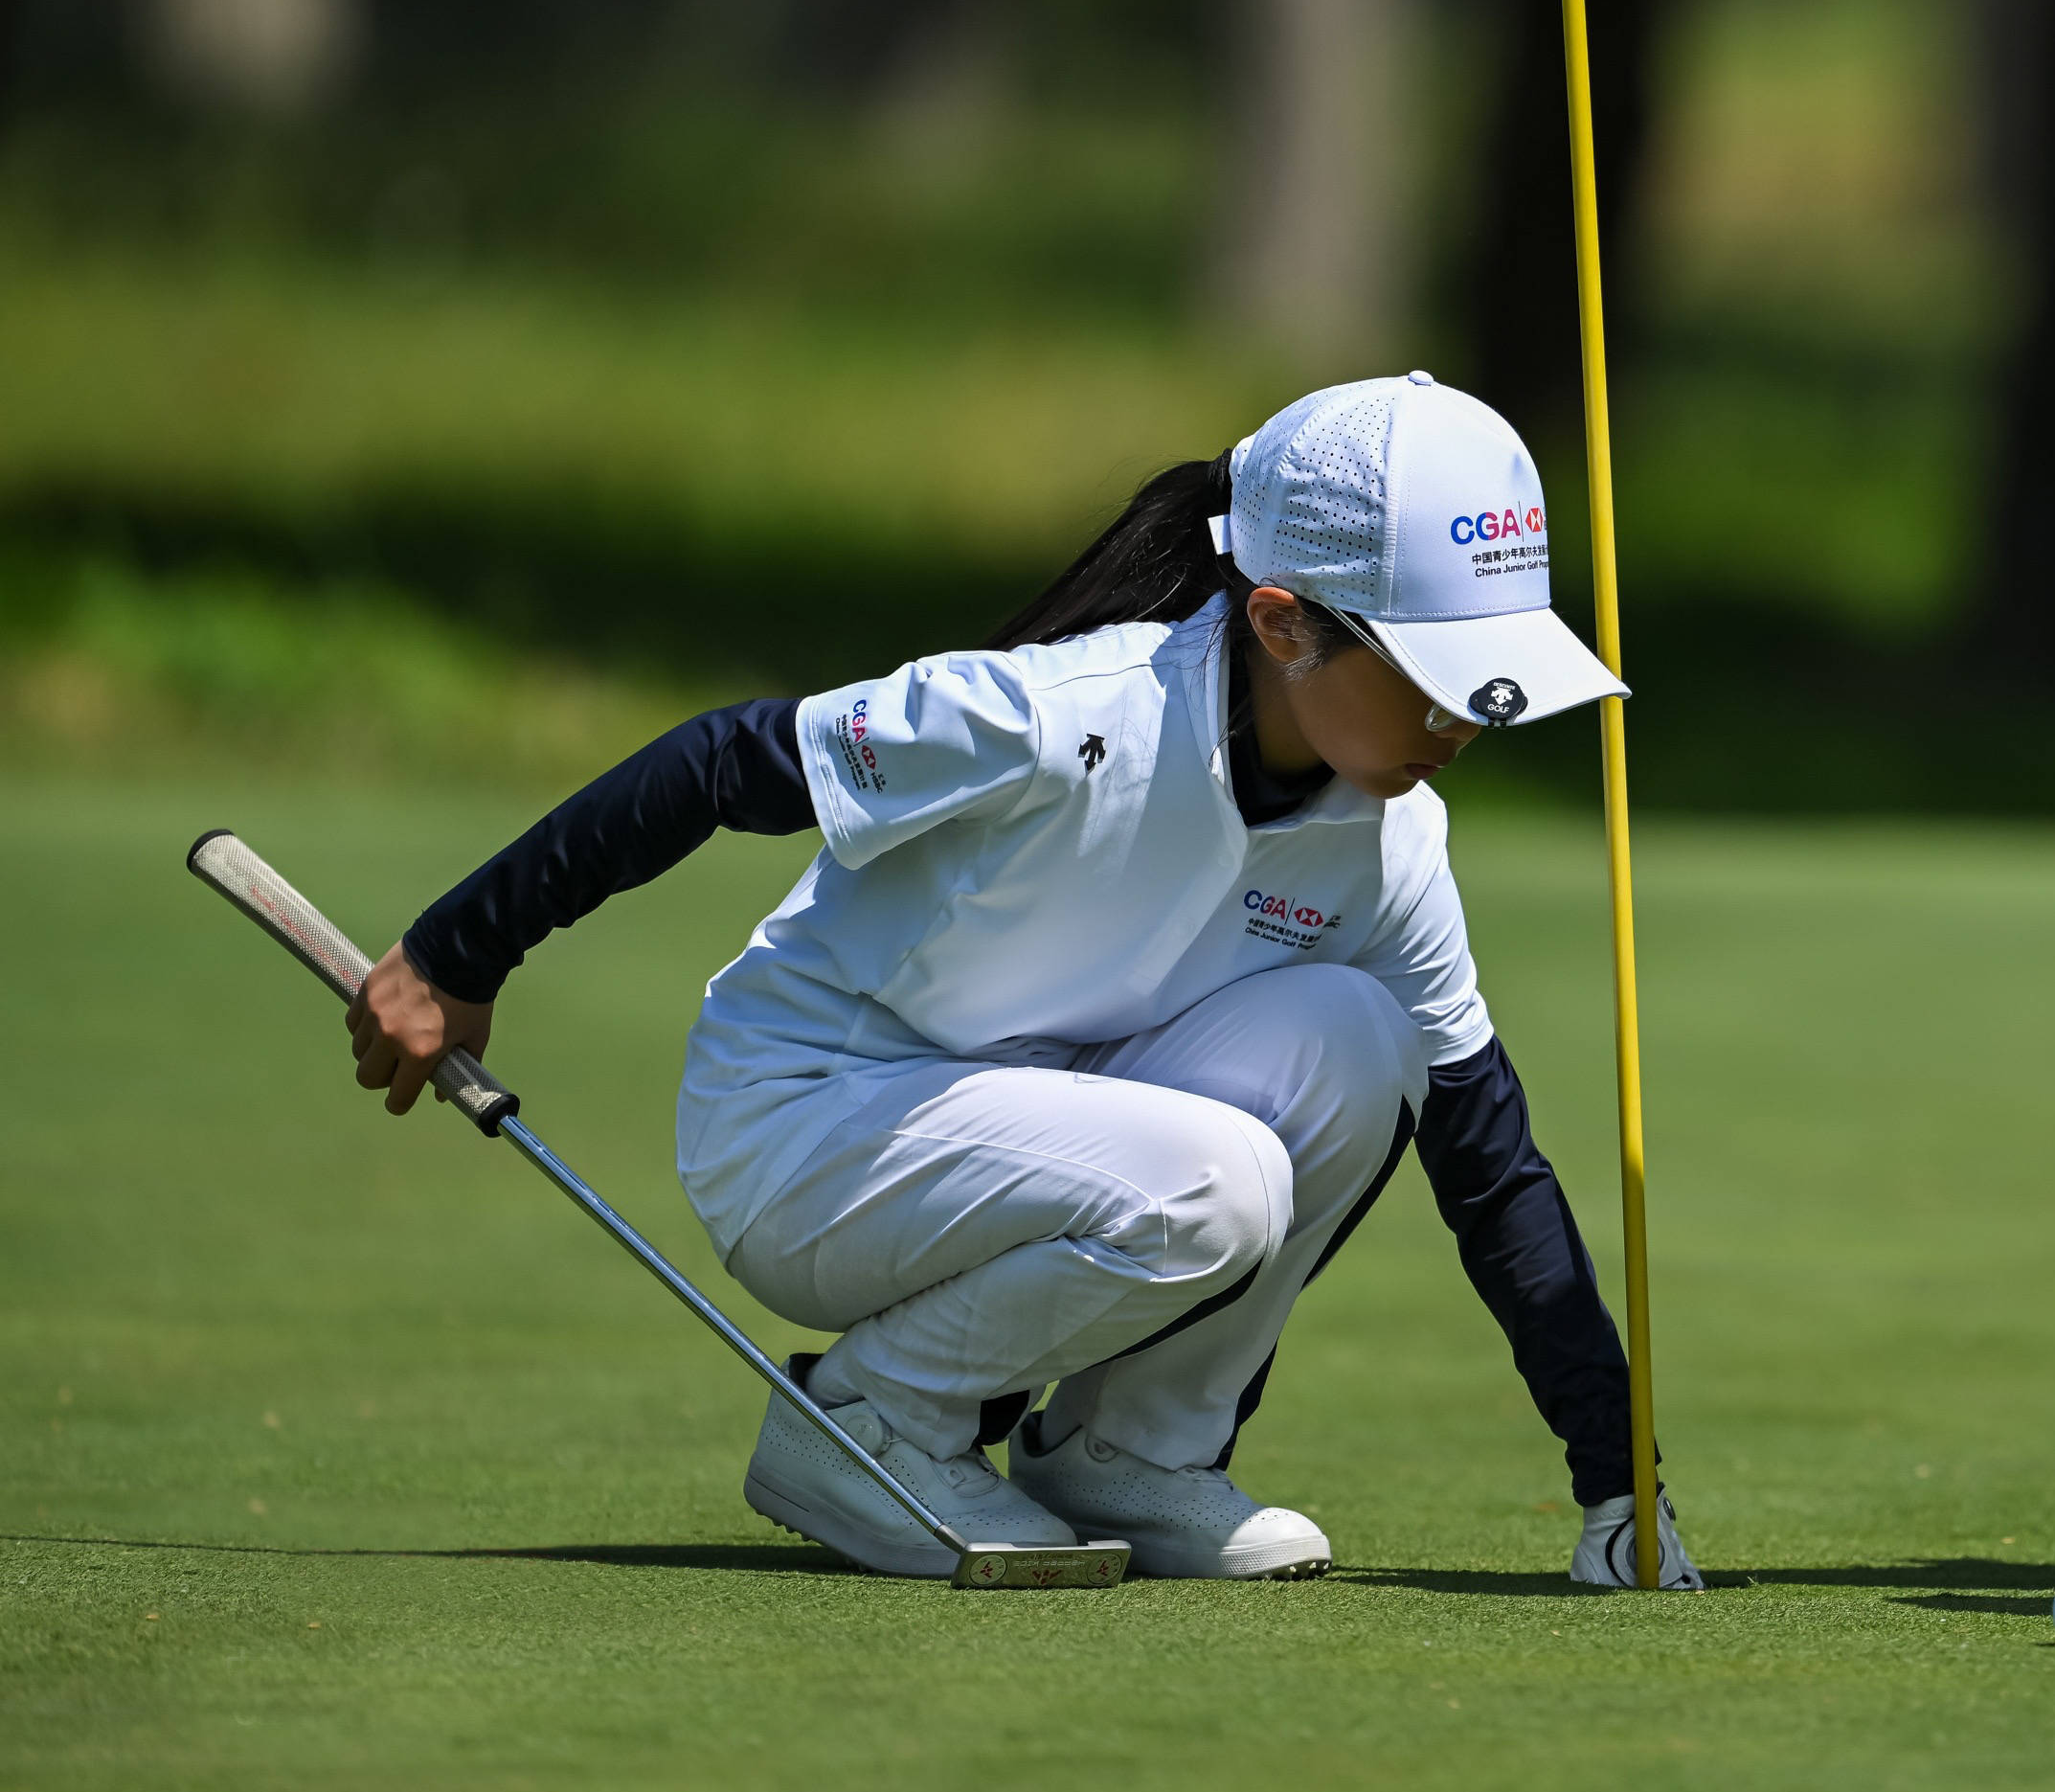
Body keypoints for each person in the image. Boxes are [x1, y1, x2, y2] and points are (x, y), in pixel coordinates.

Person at [342, 373, 1701, 1589]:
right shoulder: (1059, 712)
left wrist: (1614, 1478)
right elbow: (718, 763)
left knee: (1359, 1038)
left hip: (1049, 1125)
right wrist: (458, 953)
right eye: (1432, 678)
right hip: (809, 1125)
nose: (1466, 722)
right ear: (1283, 623)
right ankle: (876, 1423)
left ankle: (1129, 1452)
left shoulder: (1392, 835)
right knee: (1217, 1179)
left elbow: (1488, 1155)